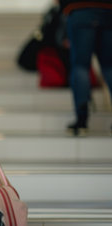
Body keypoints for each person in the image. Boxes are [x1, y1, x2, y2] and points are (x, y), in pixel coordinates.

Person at [59, 0, 112, 136]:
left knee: (80, 66)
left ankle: (81, 121)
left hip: (79, 9)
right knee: (109, 67)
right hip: (108, 11)